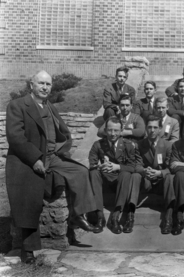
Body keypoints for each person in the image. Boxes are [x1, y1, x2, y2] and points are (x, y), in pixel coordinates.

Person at [6, 70, 101, 263]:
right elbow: (16, 137)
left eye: (48, 84)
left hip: (52, 157)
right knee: (30, 202)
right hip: (27, 161)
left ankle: (77, 215)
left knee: (80, 171)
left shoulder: (49, 107)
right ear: (31, 85)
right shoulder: (18, 106)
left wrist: (60, 149)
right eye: (40, 83)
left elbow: (60, 132)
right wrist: (35, 159)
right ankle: (28, 250)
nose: (44, 87)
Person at [89, 116, 144, 235]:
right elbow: (92, 164)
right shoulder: (98, 145)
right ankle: (99, 216)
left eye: (116, 130)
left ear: (121, 131)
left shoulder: (128, 145)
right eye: (109, 130)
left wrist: (117, 167)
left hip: (121, 181)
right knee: (93, 173)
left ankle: (115, 217)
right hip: (105, 179)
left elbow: (134, 166)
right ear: (105, 130)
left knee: (126, 173)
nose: (112, 133)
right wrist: (101, 166)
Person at [137, 115, 176, 235]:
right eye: (149, 127)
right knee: (135, 175)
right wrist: (144, 170)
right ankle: (129, 214)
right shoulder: (140, 145)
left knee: (170, 177)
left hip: (161, 183)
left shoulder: (168, 145)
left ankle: (168, 216)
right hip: (147, 180)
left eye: (155, 127)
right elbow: (136, 165)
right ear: (146, 129)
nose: (152, 130)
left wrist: (160, 173)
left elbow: (171, 167)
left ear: (160, 129)